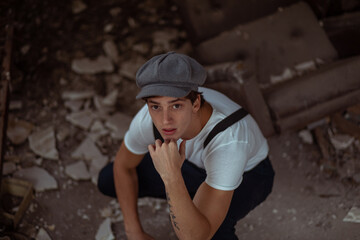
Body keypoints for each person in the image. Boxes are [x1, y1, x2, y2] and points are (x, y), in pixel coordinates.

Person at [98, 51, 275, 240]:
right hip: (191, 167)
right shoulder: (147, 118)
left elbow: (195, 237)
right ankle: (193, 200)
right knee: (108, 180)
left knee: (212, 231)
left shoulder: (230, 141)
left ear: (196, 103)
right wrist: (135, 233)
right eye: (155, 106)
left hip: (250, 175)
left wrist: (171, 177)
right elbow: (123, 166)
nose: (165, 121)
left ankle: (199, 204)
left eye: (176, 106)